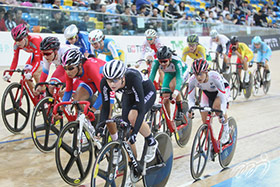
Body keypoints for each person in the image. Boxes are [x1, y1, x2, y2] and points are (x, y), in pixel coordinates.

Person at [99, 59, 158, 185]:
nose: (112, 84)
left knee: (133, 117)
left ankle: (151, 141)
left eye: (115, 80)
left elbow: (141, 110)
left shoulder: (132, 77)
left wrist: (135, 133)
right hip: (128, 94)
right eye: (109, 80)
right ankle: (133, 165)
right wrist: (100, 126)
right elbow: (105, 107)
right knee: (126, 133)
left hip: (146, 91)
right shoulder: (105, 82)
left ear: (122, 77)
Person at [187, 59, 230, 144]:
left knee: (217, 108)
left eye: (200, 74)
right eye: (196, 74)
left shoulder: (214, 77)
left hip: (221, 91)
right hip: (207, 93)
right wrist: (190, 109)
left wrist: (222, 112)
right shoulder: (192, 80)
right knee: (205, 121)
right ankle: (210, 143)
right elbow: (191, 98)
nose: (198, 77)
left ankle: (226, 129)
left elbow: (223, 99)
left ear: (206, 72)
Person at [61, 48, 106, 113]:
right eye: (65, 68)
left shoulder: (91, 68)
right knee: (77, 99)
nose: (67, 72)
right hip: (91, 80)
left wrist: (93, 109)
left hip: (106, 80)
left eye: (71, 68)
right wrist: (61, 108)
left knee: (105, 113)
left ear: (79, 65)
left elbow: (103, 93)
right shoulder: (69, 71)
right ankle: (88, 119)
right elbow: (68, 91)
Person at [149, 46, 187, 120]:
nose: (163, 64)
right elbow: (151, 76)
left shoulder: (176, 61)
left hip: (182, 72)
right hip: (169, 74)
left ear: (170, 59)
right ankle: (168, 120)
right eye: (161, 62)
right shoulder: (156, 61)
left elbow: (179, 79)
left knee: (173, 86)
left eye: (165, 61)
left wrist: (175, 93)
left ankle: (180, 110)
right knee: (164, 96)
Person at [3, 24, 42, 94]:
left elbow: (37, 61)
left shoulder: (34, 41)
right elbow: (15, 60)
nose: (17, 43)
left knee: (36, 74)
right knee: (25, 75)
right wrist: (10, 74)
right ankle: (36, 96)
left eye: (20, 40)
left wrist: (32, 73)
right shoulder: (16, 45)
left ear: (25, 37)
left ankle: (43, 94)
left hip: (44, 57)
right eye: (16, 40)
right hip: (34, 56)